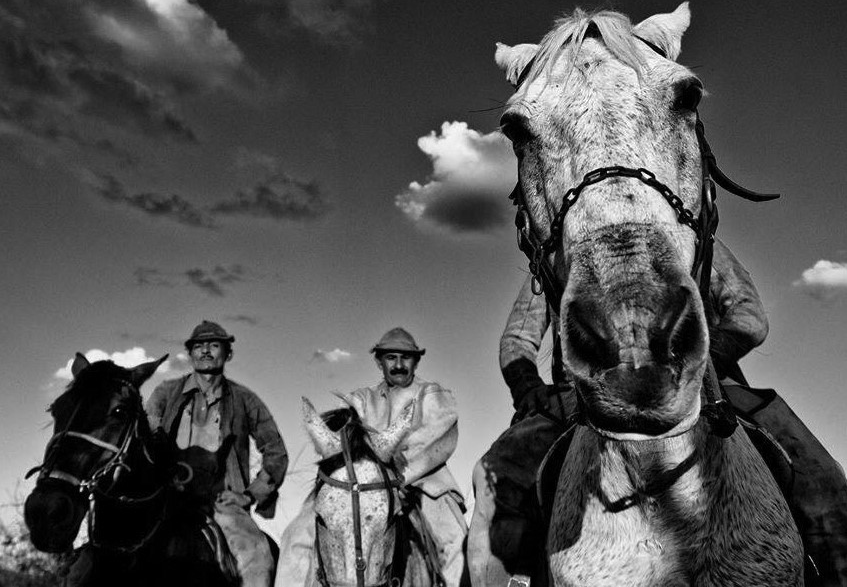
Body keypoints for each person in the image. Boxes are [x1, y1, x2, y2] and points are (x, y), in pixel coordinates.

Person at [467, 240, 847, 585]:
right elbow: (518, 338)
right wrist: (527, 388)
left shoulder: (697, 239)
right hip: (582, 394)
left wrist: (691, 362)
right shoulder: (554, 255)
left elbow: (750, 315)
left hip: (705, 384)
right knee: (495, 481)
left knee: (822, 479)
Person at [277, 327, 467, 587]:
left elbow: (437, 438)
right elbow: (344, 438)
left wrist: (398, 477)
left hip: (426, 486)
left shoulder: (433, 394)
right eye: (390, 357)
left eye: (405, 357)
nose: (398, 365)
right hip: (364, 487)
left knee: (453, 541)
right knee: (296, 534)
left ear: (416, 361)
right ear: (379, 361)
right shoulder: (361, 400)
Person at [146, 320, 288, 587]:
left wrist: (249, 494)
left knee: (259, 559)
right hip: (166, 500)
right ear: (190, 354)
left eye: (214, 345)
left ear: (228, 353)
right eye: (199, 346)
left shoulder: (245, 399)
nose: (206, 351)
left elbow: (276, 452)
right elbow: (148, 434)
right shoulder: (165, 393)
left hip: (224, 504)